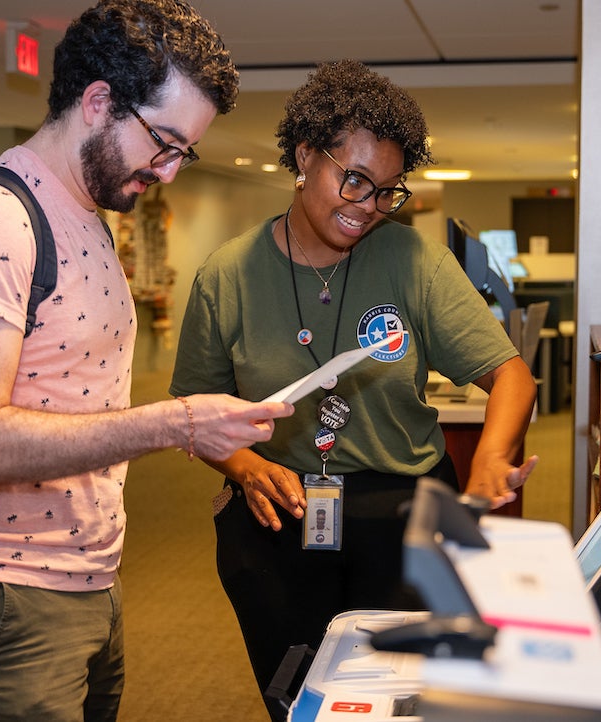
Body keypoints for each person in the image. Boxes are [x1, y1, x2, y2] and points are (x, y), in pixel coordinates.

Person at [0, 2, 293, 720]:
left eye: (184, 153)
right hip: (0, 598)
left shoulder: (88, 217)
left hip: (85, 580)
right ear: (98, 101)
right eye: (163, 143)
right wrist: (178, 423)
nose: (169, 173)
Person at [169, 59, 538, 712]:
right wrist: (248, 468)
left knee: (403, 702)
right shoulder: (226, 277)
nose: (369, 208)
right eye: (356, 181)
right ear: (306, 157)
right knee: (299, 699)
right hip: (276, 510)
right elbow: (191, 413)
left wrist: (487, 464)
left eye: (388, 191)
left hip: (401, 512)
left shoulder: (412, 260)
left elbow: (509, 373)